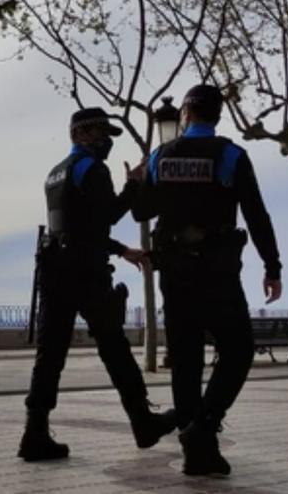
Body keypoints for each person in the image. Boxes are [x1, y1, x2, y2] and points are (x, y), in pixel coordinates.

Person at [132, 84, 283, 476]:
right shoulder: (231, 155)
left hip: (175, 272)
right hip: (217, 271)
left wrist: (137, 182)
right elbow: (256, 214)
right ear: (218, 116)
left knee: (185, 361)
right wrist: (272, 266)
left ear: (184, 114)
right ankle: (204, 430)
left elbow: (141, 211)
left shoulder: (158, 157)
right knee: (238, 350)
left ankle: (195, 449)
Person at [18, 107, 175, 462]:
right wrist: (134, 185)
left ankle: (34, 432)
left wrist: (121, 251)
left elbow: (78, 227)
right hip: (84, 272)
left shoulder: (55, 173)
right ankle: (143, 422)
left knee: (50, 355)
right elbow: (106, 218)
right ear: (82, 134)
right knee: (114, 346)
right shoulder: (93, 169)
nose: (106, 142)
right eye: (101, 133)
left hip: (54, 267)